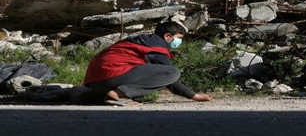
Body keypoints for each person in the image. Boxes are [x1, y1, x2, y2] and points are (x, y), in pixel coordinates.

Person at [84, 21, 212, 106]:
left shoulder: (141, 41)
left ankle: (85, 94)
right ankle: (118, 94)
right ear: (167, 36)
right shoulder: (157, 46)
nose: (179, 42)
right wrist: (195, 96)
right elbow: (171, 79)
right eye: (178, 38)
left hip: (95, 81)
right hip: (111, 75)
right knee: (172, 72)